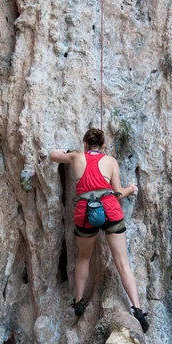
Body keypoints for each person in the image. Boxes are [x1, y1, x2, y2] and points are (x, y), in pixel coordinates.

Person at [50, 128, 148, 332]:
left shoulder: (76, 157)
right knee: (122, 263)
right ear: (102, 145)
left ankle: (78, 302)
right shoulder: (110, 161)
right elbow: (118, 192)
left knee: (84, 257)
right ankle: (138, 309)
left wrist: (66, 151)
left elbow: (53, 156)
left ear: (84, 144)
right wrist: (131, 189)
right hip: (110, 209)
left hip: (85, 212)